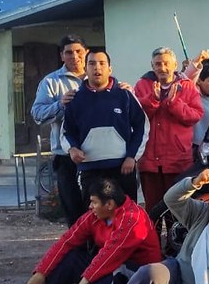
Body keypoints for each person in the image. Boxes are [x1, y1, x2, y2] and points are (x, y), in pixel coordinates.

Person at [0, 178, 161, 284]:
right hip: (109, 264)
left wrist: (88, 277)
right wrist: (41, 272)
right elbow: (67, 241)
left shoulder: (133, 219)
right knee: (73, 258)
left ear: (109, 204)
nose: (90, 207)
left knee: (114, 270)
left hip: (138, 274)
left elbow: (113, 254)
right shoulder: (95, 216)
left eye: (93, 202)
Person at [62, 51, 148, 205]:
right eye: (92, 63)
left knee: (126, 216)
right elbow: (66, 132)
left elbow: (142, 127)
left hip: (123, 168)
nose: (97, 68)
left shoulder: (125, 95)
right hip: (90, 170)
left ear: (110, 68)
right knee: (94, 219)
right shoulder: (74, 99)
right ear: (85, 69)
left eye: (102, 63)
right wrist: (72, 149)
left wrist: (132, 157)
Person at [133, 47, 203, 211]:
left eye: (166, 63)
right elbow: (135, 116)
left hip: (177, 160)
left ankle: (175, 238)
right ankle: (153, 237)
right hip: (149, 160)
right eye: (158, 64)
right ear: (152, 65)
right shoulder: (142, 85)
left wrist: (174, 103)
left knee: (177, 209)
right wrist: (153, 100)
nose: (162, 68)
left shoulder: (187, 86)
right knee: (152, 209)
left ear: (175, 65)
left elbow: (195, 116)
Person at [31, 34, 88, 226]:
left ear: (86, 53)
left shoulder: (101, 77)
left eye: (78, 51)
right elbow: (37, 114)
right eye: (69, 52)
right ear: (62, 56)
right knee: (73, 211)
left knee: (98, 210)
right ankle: (77, 253)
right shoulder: (51, 82)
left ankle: (99, 254)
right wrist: (60, 105)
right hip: (66, 156)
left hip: (97, 155)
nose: (75, 56)